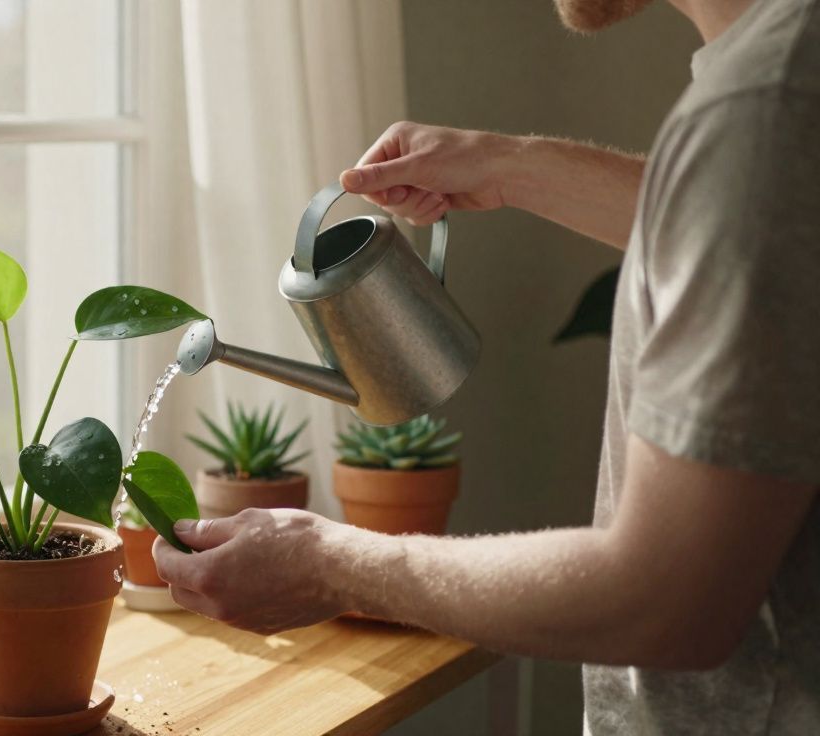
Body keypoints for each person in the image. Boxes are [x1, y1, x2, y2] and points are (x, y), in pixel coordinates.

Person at [152, 0, 820, 733]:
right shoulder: (783, 82)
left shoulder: (764, 111)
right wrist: (511, 166)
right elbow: (742, 225)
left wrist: (329, 565)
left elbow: (668, 602)